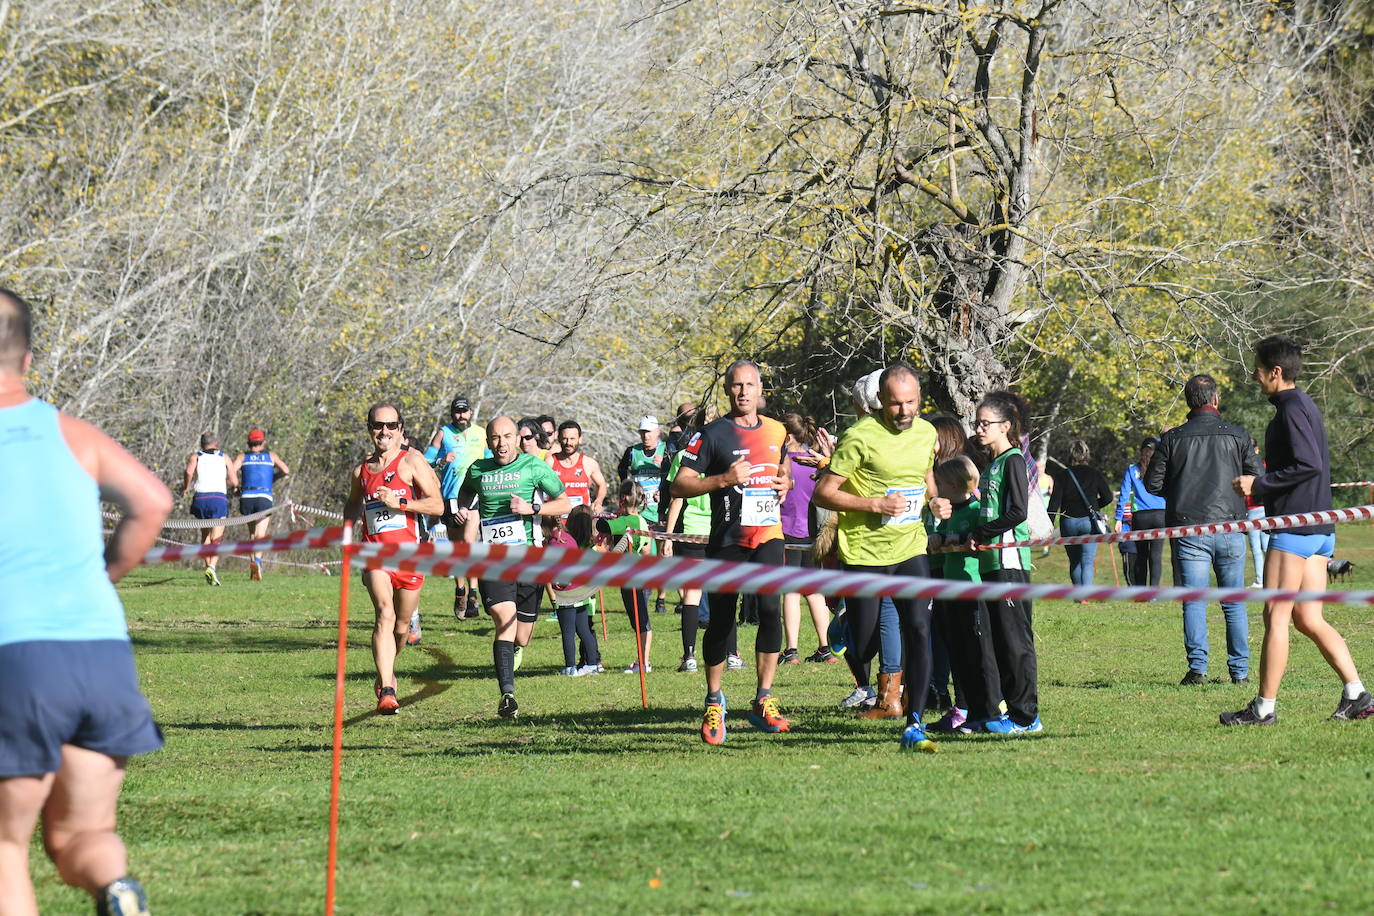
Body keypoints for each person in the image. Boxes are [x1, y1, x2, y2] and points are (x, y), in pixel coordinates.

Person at [0, 289, 173, 916]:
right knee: (83, 836)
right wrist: (105, 575)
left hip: (13, 657)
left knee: (4, 846)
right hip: (99, 654)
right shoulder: (71, 433)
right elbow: (152, 501)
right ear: (27, 354)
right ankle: (118, 893)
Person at [1226, 336, 1372, 724]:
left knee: (1276, 615)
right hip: (1319, 527)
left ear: (1276, 372)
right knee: (1309, 619)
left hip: (1297, 529)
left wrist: (1258, 485)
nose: (1255, 378)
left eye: (1258, 370)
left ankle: (1263, 709)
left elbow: (1308, 464)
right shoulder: (1301, 405)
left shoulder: (1291, 408)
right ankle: (1357, 694)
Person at [813, 363, 952, 750]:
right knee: (864, 641)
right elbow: (822, 493)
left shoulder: (926, 433)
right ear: (881, 402)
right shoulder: (859, 436)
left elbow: (924, 479)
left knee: (920, 630)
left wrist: (936, 501)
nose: (904, 411)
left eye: (910, 402)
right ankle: (846, 627)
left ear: (920, 400)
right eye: (895, 404)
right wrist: (873, 503)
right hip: (864, 552)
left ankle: (915, 721)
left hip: (909, 547)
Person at [673, 360, 791, 744]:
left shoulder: (777, 430)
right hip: (728, 540)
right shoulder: (711, 435)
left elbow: (783, 469)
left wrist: (785, 484)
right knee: (722, 620)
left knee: (771, 610)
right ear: (728, 391)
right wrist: (723, 479)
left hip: (768, 534)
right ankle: (713, 700)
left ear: (761, 390)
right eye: (736, 386)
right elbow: (680, 485)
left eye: (750, 385)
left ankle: (764, 697)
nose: (743, 392)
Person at [1144, 374, 1262, 686]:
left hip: (1188, 529)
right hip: (1231, 526)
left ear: (1187, 401)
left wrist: (1180, 491)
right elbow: (1258, 476)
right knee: (1233, 602)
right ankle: (1240, 672)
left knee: (1194, 599)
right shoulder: (1238, 436)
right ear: (1216, 399)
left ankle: (1198, 669)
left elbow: (1152, 484)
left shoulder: (1171, 439)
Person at [459, 417, 571, 718]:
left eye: (507, 436)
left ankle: (513, 655)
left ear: (516, 439)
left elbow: (565, 503)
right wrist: (463, 509)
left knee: (522, 636)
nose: (501, 443)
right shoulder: (478, 469)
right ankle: (507, 694)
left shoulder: (533, 467)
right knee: (504, 622)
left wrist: (532, 508)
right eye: (495, 438)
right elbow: (465, 493)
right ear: (488, 442)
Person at [343, 404, 443, 714]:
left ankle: (387, 666)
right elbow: (351, 505)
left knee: (400, 627)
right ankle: (387, 688)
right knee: (384, 614)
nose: (383, 431)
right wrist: (346, 536)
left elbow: (437, 505)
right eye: (377, 425)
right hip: (376, 554)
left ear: (400, 429)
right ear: (369, 428)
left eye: (390, 425)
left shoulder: (411, 461)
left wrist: (399, 501)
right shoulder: (362, 470)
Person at [968, 391, 1042, 734]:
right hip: (989, 563)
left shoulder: (1013, 459)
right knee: (999, 640)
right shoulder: (992, 464)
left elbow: (1017, 512)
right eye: (977, 423)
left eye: (986, 423)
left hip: (1009, 561)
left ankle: (1026, 717)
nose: (979, 429)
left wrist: (983, 531)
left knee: (1015, 642)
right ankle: (1008, 711)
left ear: (1006, 426)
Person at [927, 455, 1007, 734]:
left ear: (952, 484)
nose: (937, 490)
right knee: (958, 654)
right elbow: (938, 540)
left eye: (940, 484)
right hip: (950, 594)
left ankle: (991, 709)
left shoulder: (975, 511)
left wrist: (961, 540)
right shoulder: (948, 515)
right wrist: (936, 538)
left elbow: (981, 540)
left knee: (980, 654)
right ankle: (968, 710)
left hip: (973, 593)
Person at [779, 413, 835, 665]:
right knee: (814, 592)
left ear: (787, 436)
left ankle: (791, 650)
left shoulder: (783, 463)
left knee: (790, 591)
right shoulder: (814, 461)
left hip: (787, 531)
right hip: (813, 533)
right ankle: (826, 647)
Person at [426, 395, 487, 619]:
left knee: (469, 542)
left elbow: (491, 460)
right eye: (457, 412)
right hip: (451, 497)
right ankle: (460, 589)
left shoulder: (481, 434)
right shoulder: (444, 433)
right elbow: (426, 461)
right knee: (457, 547)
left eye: (465, 412)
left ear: (471, 413)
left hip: (473, 495)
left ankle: (473, 594)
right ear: (452, 414)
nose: (461, 416)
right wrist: (442, 461)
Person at [597, 481, 656, 673]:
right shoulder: (642, 520)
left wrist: (590, 517)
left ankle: (644, 662)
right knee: (640, 619)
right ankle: (643, 660)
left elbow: (602, 525)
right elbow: (647, 548)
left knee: (640, 621)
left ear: (623, 498)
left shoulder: (627, 522)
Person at [619, 415, 669, 614]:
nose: (645, 436)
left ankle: (662, 597)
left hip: (661, 511)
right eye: (642, 432)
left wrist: (663, 481)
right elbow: (622, 471)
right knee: (645, 555)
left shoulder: (666, 450)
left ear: (657, 432)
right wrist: (630, 492)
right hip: (641, 512)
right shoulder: (632, 452)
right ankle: (644, 597)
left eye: (649, 432)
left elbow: (675, 475)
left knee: (663, 556)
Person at [1046, 439, 1114, 587]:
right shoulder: (1094, 474)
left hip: (1068, 522)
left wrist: (1047, 525)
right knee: (1087, 560)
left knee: (1074, 561)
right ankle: (1086, 595)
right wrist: (1095, 507)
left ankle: (1078, 594)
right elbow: (1108, 497)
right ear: (1086, 454)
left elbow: (1054, 503)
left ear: (1070, 455)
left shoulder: (1063, 475)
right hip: (1089, 521)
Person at [547, 507, 603, 676]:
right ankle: (593, 664)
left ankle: (570, 667)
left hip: (566, 595)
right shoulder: (573, 541)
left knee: (568, 632)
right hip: (582, 593)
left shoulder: (555, 543)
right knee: (584, 630)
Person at [229, 428, 290, 580]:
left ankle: (253, 565)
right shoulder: (270, 456)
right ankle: (257, 561)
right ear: (263, 442)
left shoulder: (242, 457)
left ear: (249, 443)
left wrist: (235, 487)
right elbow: (286, 470)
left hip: (247, 497)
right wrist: (273, 478)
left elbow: (231, 472)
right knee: (260, 535)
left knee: (252, 534)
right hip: (264, 496)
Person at [182, 432, 237, 586]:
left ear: (201, 444)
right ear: (216, 443)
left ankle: (208, 569)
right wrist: (229, 484)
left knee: (205, 536)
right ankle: (212, 567)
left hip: (200, 499)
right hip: (218, 498)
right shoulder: (224, 457)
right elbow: (234, 481)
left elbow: (188, 472)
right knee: (216, 538)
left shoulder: (196, 456)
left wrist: (185, 487)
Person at [1115, 438, 1165, 587]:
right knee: (1156, 556)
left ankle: (1141, 591)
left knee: (1141, 555)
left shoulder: (1132, 469)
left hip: (1140, 516)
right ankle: (1154, 592)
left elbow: (1124, 495)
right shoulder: (1161, 468)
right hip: (1160, 515)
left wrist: (1118, 518)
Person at [547, 420, 608, 514]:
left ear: (580, 439)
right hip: (557, 520)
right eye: (564, 438)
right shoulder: (550, 461)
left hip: (582, 520)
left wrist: (598, 501)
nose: (568, 443)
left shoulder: (588, 463)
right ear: (558, 438)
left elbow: (602, 485)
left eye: (572, 439)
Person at [1244, 442, 1267, 589]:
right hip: (1257, 509)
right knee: (1261, 547)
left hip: (1257, 508)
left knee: (1260, 547)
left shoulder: (1244, 466)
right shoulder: (1264, 465)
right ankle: (1262, 580)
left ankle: (1262, 580)